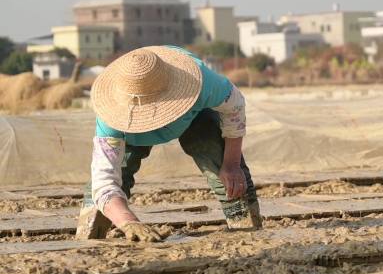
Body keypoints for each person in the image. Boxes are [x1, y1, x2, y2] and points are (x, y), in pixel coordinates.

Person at [75, 45, 261, 241]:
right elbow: (104, 181)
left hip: (194, 117)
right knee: (115, 177)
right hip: (130, 134)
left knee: (215, 155)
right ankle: (89, 234)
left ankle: (245, 225)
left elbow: (235, 107)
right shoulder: (111, 119)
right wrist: (128, 222)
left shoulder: (200, 81)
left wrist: (231, 164)